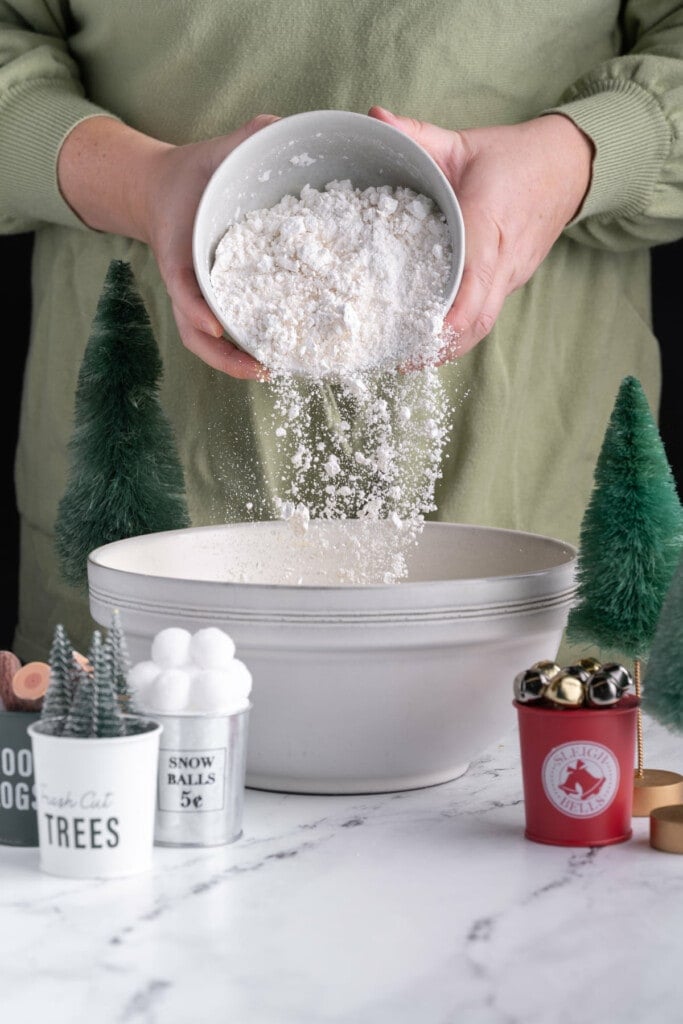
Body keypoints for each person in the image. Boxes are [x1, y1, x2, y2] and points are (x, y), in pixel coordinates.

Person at [1, 1, 682, 661]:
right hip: (152, 506)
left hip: (530, 474)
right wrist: (141, 184)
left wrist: (578, 158)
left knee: (537, 757)